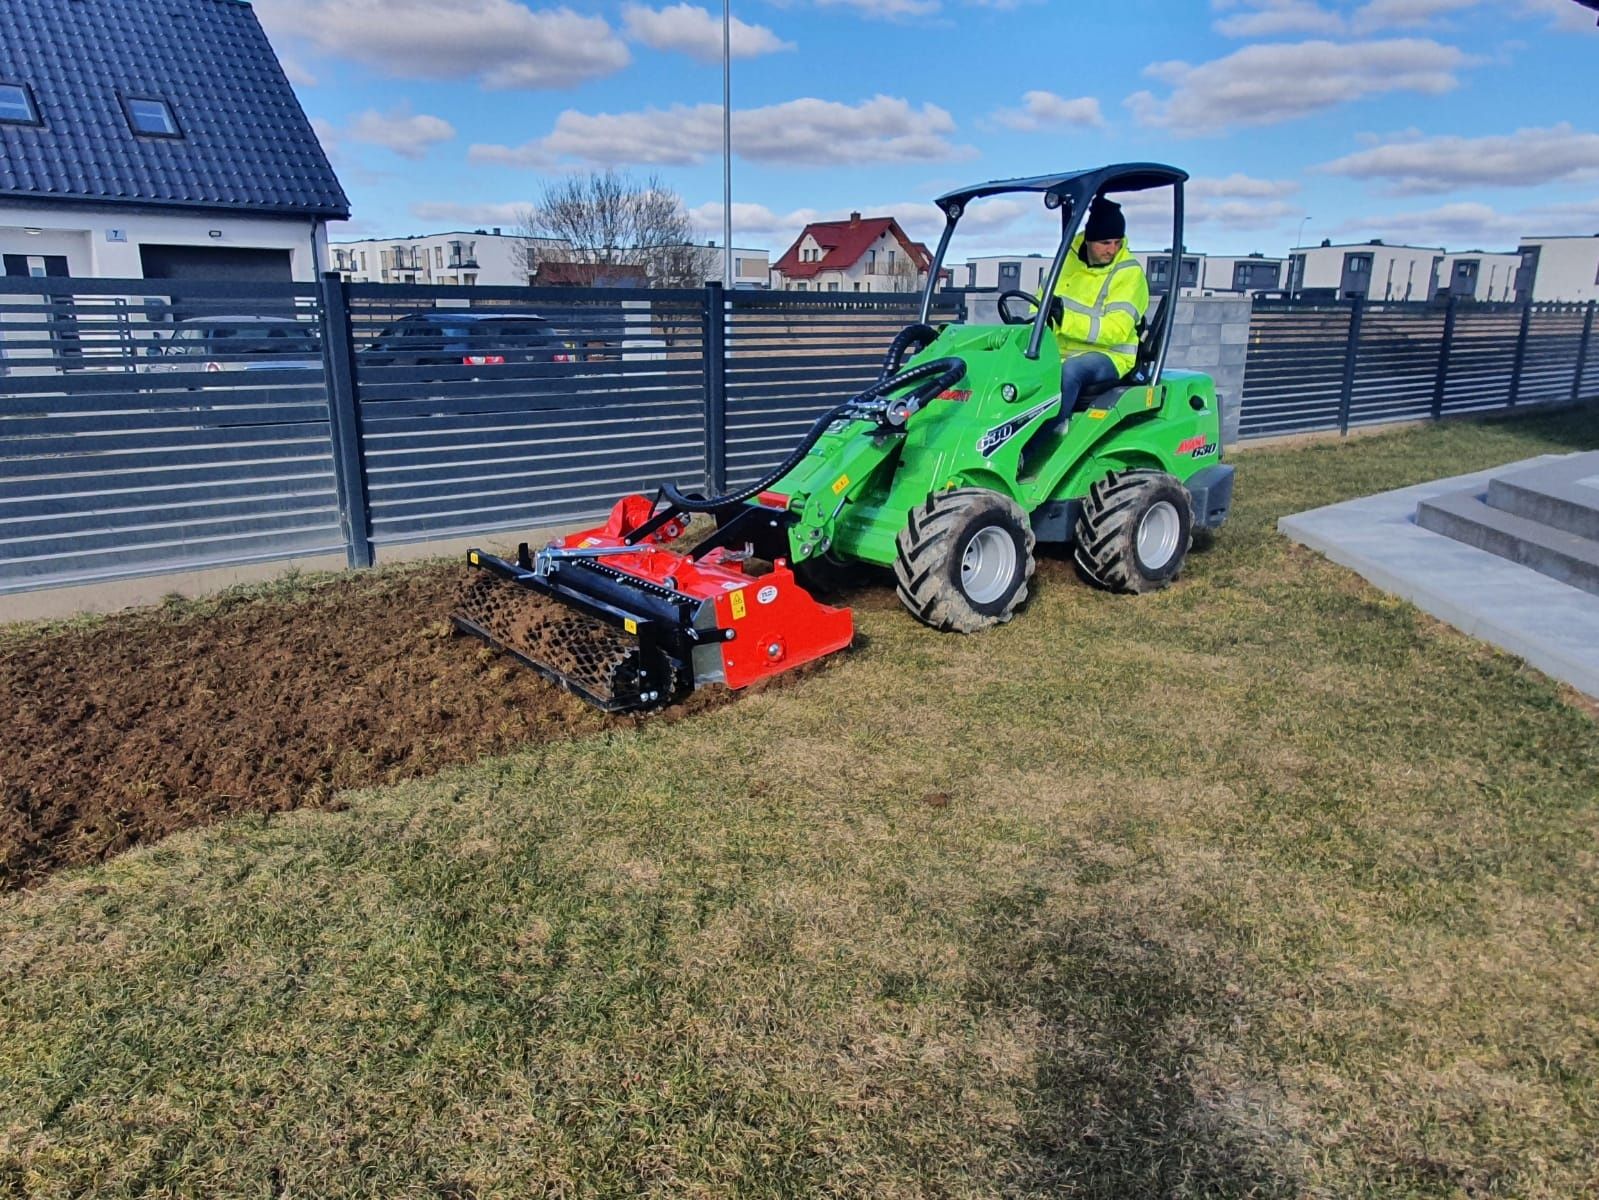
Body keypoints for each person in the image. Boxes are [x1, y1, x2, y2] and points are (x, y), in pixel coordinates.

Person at [1030, 196, 1149, 448]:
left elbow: (1116, 331)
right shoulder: (1064, 262)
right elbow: (1038, 306)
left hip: (1109, 356)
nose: (1112, 249)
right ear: (1089, 239)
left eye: (1117, 242)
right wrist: (1029, 324)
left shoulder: (1129, 273)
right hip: (1058, 352)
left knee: (1070, 372)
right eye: (1105, 242)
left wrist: (1065, 318)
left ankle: (1037, 443)